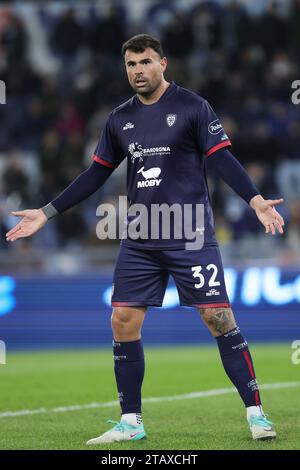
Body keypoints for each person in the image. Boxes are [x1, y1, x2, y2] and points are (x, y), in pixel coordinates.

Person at [6, 34, 285, 445]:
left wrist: (256, 200)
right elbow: (96, 173)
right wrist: (46, 212)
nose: (138, 70)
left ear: (163, 64)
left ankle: (256, 414)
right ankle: (131, 422)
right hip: (141, 235)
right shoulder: (119, 118)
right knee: (122, 320)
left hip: (189, 232)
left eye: (145, 62)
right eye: (131, 64)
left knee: (218, 318)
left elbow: (221, 158)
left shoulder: (192, 106)